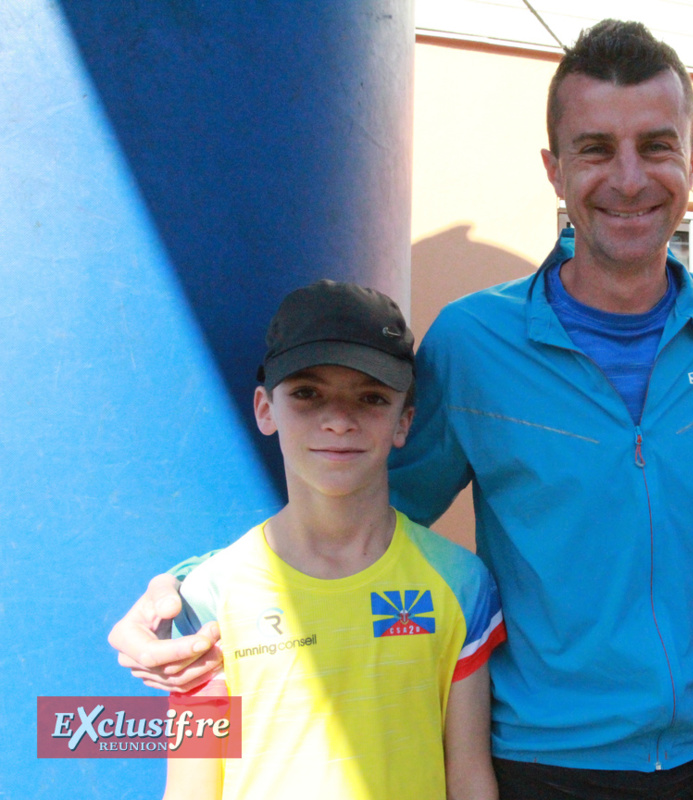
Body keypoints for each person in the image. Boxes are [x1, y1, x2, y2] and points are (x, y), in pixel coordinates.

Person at [111, 20, 693, 800]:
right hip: (544, 765)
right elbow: (362, 504)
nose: (629, 179)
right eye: (596, 149)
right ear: (554, 170)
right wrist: (192, 587)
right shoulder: (472, 343)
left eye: (657, 146)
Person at [161, 280, 506, 800]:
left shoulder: (460, 583)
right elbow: (190, 788)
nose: (339, 421)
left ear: (404, 422)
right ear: (265, 409)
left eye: (371, 398)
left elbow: (469, 777)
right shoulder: (208, 596)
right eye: (307, 393)